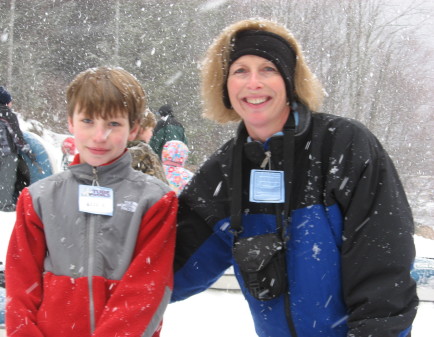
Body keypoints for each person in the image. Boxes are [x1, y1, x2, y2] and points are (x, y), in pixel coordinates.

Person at [172, 19, 418, 337]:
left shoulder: (344, 146)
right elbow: (168, 271)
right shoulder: (222, 172)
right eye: (240, 71)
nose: (254, 83)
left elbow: (385, 266)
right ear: (224, 85)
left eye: (268, 69)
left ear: (289, 79)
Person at [5, 67, 178, 337]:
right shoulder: (38, 198)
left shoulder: (156, 201)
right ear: (70, 123)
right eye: (88, 120)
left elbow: (148, 289)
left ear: (133, 128)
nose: (99, 136)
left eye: (113, 124)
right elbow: (20, 287)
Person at [0, 86, 35, 212]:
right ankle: (5, 204)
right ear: (7, 101)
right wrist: (27, 150)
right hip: (8, 151)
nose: (12, 103)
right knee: (8, 178)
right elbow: (17, 136)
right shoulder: (7, 114)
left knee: (0, 177)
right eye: (11, 101)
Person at [128, 108, 168, 184]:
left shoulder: (116, 152)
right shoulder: (147, 154)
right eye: (151, 130)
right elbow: (161, 186)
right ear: (142, 129)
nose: (152, 134)